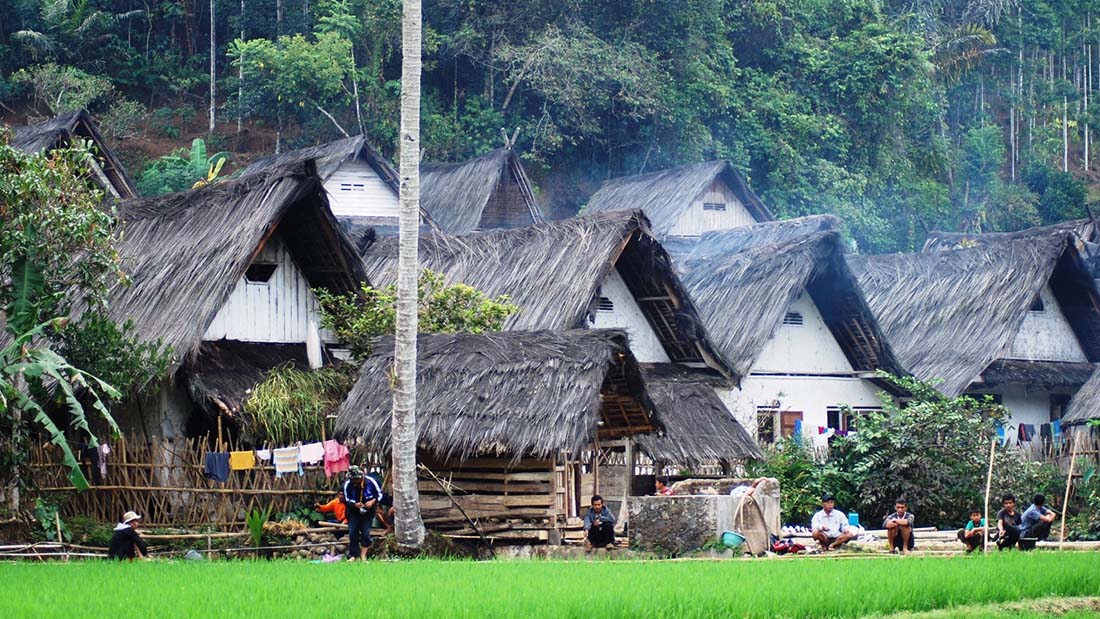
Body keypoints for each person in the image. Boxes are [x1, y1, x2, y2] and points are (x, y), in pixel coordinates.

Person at [342, 466, 382, 561]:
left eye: (357, 480)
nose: (355, 482)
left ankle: (363, 555)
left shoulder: (371, 482)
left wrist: (372, 502)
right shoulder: (348, 484)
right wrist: (355, 504)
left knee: (366, 533)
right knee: (353, 532)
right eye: (353, 480)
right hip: (354, 512)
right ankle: (353, 555)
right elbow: (347, 498)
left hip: (368, 512)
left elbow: (379, 494)